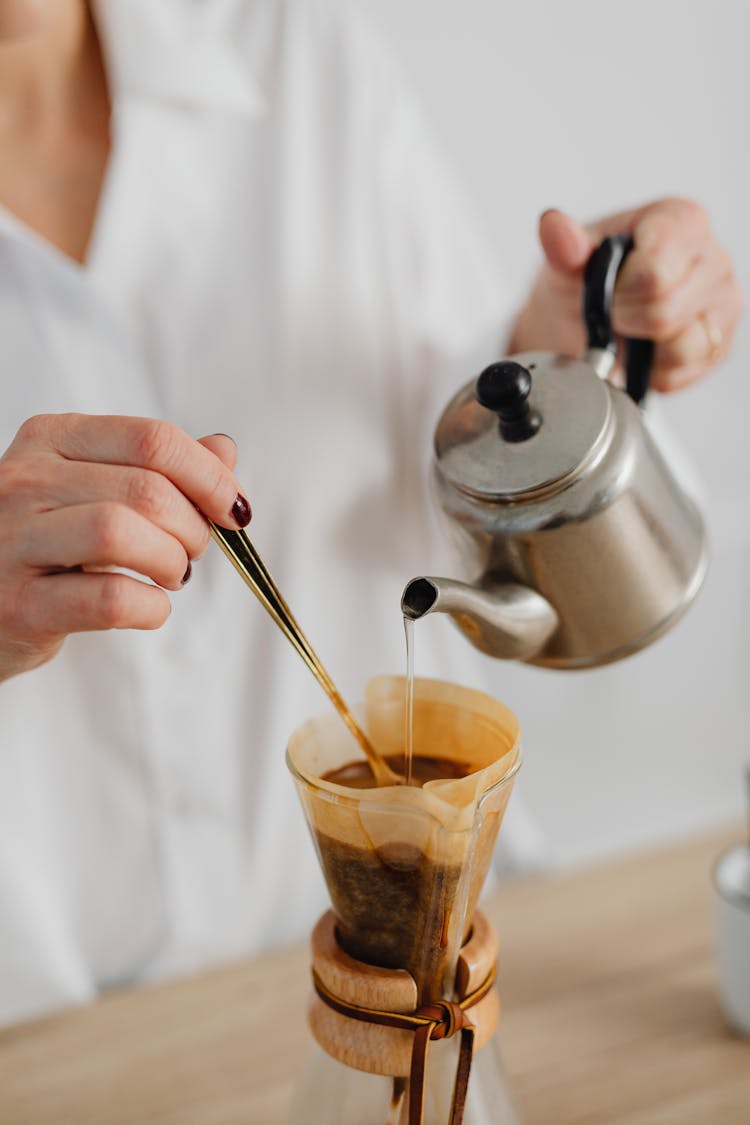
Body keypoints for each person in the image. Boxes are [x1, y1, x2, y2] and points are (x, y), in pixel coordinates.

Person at [0, 0, 741, 1028]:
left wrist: (551, 352)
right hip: (64, 1039)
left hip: (453, 975)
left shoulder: (302, 63)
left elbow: (446, 436)